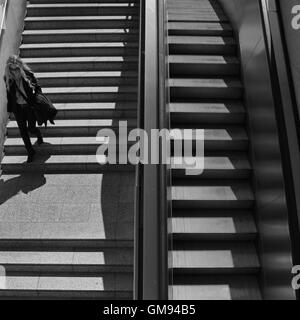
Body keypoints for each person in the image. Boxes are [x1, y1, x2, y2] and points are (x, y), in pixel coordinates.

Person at [4, 55, 44, 163]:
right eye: (11, 69)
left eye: (16, 68)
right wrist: (10, 109)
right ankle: (30, 151)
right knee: (23, 131)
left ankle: (38, 134)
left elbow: (39, 89)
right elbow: (9, 95)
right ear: (9, 69)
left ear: (20, 66)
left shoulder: (28, 76)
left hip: (30, 107)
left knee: (31, 128)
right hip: (18, 109)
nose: (14, 71)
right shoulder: (7, 79)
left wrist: (35, 92)